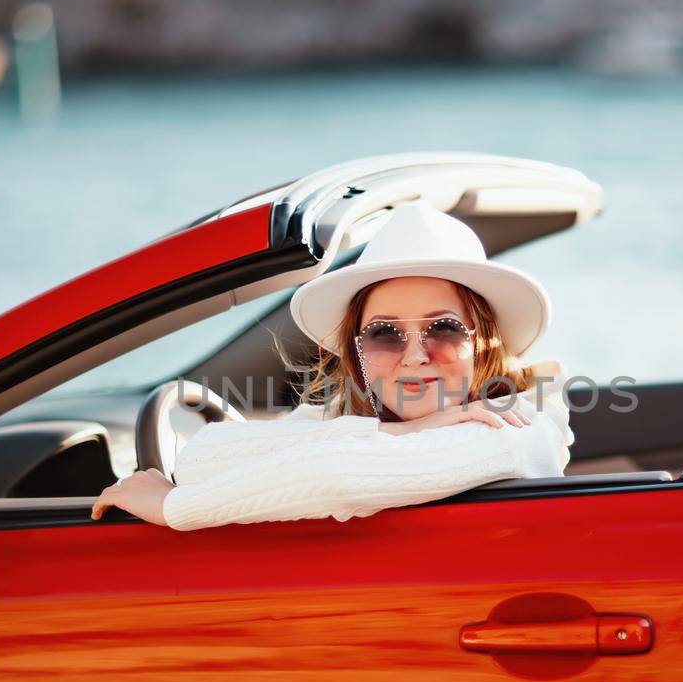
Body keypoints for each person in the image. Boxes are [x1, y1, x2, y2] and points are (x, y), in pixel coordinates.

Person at [90, 200, 574, 529]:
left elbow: (339, 474)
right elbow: (200, 459)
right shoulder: (357, 421)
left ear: (483, 343)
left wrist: (176, 509)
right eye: (385, 333)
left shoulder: (520, 422)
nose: (414, 355)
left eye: (443, 329)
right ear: (357, 352)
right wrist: (396, 433)